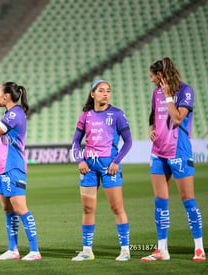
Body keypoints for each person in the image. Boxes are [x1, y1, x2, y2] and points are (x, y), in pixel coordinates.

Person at [141, 57, 205, 262]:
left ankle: (199, 248)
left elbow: (177, 118)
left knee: (188, 201)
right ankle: (162, 250)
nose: (151, 81)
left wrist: (169, 96)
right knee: (160, 203)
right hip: (158, 152)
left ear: (160, 75)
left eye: (152, 77)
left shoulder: (186, 91)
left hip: (179, 152)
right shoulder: (155, 93)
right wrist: (151, 129)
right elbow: (153, 114)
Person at [70, 80, 132, 262]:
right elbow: (75, 142)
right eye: (101, 91)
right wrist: (80, 159)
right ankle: (87, 251)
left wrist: (116, 162)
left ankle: (125, 250)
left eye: (108, 91)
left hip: (109, 167)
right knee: (88, 208)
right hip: (88, 168)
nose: (106, 94)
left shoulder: (117, 114)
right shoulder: (85, 116)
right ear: (92, 94)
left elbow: (128, 142)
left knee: (116, 207)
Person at [0, 81, 41, 261]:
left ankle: (34, 250)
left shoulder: (15, 114)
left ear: (6, 96)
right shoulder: (9, 113)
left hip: (14, 167)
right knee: (7, 208)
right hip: (2, 168)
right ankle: (13, 250)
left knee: (20, 208)